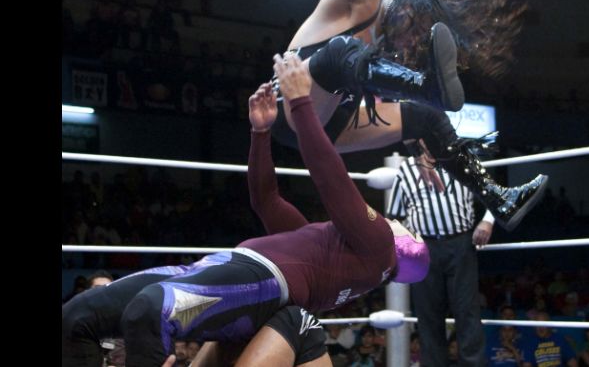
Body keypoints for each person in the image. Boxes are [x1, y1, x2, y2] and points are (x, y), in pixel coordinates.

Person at [62, 54, 431, 367]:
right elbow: (265, 201)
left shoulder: (379, 248)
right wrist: (260, 134)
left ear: (406, 249)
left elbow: (332, 180)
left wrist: (302, 103)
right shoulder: (324, 251)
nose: (399, 221)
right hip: (233, 271)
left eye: (408, 229)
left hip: (259, 281)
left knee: (147, 311)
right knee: (77, 317)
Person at [269, 0, 546, 231]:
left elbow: (381, 100)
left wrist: (418, 143)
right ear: (407, 4)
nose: (412, 40)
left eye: (418, 37)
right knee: (340, 53)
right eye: (415, 27)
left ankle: (497, 197)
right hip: (288, 104)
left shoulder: (386, 51)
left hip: (327, 124)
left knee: (424, 115)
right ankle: (427, 88)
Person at [386, 146, 497, 366]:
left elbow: (494, 194)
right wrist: (407, 247)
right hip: (423, 248)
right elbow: (393, 217)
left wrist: (488, 221)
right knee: (428, 318)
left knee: (467, 313)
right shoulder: (406, 169)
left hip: (461, 244)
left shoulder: (463, 161)